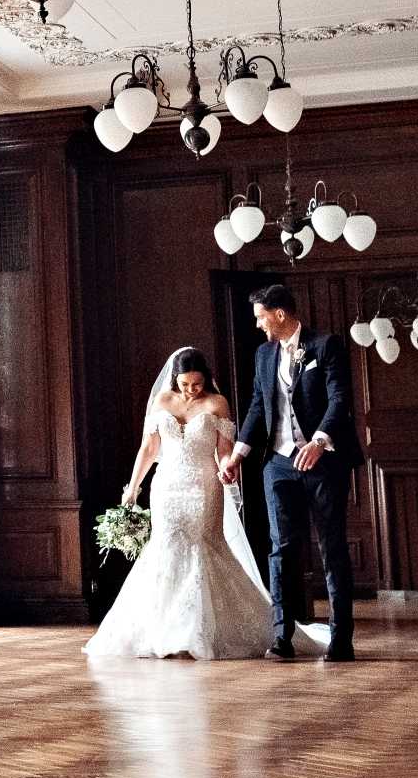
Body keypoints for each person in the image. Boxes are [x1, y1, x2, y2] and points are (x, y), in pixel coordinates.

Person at [84, 348, 275, 660]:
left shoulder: (217, 403)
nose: (191, 390)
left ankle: (200, 632)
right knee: (166, 547)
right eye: (185, 384)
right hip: (167, 486)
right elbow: (148, 448)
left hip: (204, 485)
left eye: (197, 384)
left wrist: (228, 467)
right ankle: (164, 630)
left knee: (203, 546)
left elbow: (224, 450)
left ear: (206, 380)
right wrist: (133, 488)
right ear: (175, 380)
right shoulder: (162, 402)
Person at [219, 283, 363, 662]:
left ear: (279, 314)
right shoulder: (264, 354)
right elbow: (256, 406)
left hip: (324, 462)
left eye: (260, 316)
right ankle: (281, 637)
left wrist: (319, 442)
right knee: (281, 549)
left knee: (331, 549)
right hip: (278, 464)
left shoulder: (325, 346)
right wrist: (237, 455)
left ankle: (341, 639)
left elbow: (339, 399)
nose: (258, 325)